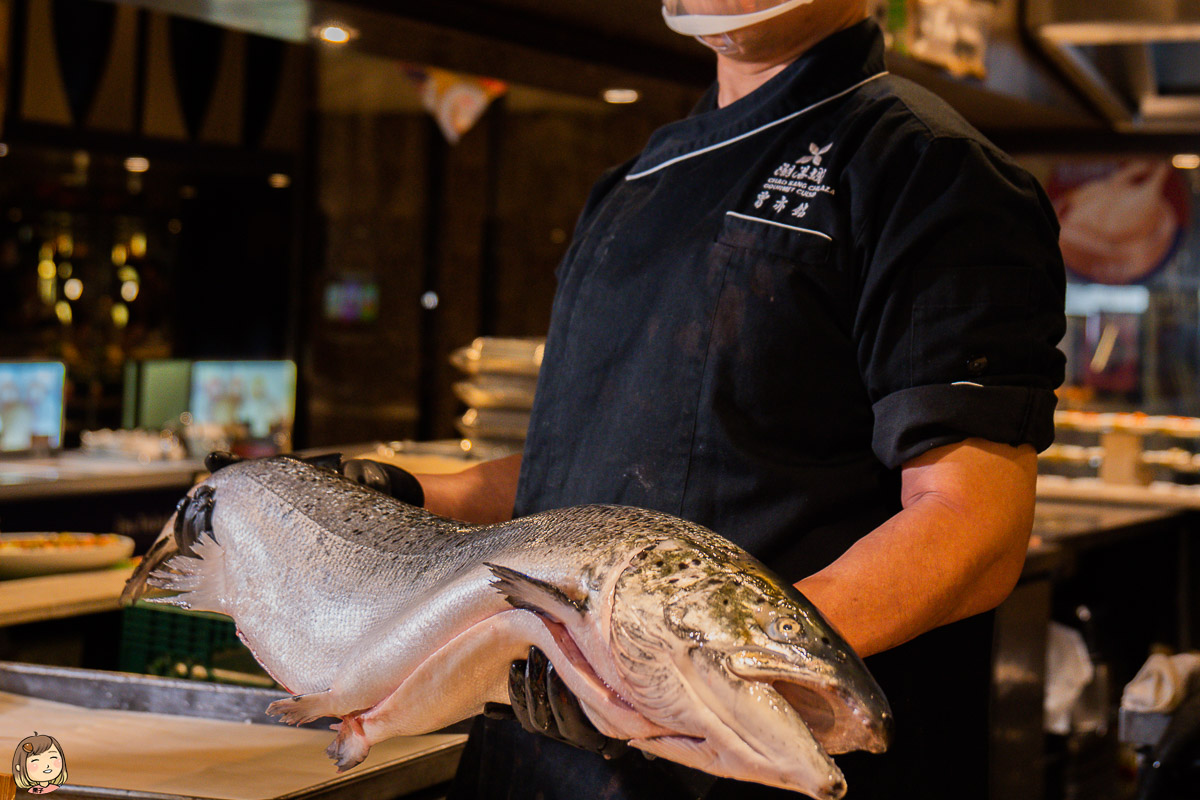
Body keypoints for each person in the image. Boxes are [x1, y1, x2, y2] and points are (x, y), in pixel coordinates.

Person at [388, 0, 1066, 797]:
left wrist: (674, 672)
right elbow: (583, 469)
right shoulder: (631, 183)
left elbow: (972, 527)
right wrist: (403, 493)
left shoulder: (928, 168)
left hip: (744, 772)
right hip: (539, 760)